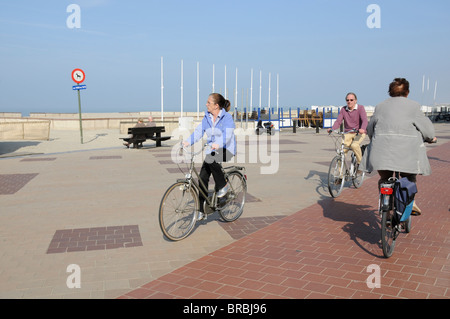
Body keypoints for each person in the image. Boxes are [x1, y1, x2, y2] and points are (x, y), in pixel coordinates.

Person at [360, 78, 436, 215]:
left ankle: (386, 210)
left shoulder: (380, 106)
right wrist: (431, 138)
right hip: (407, 154)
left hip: (381, 153)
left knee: (384, 179)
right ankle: (410, 203)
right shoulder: (414, 106)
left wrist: (374, 138)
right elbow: (428, 130)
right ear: (407, 92)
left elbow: (370, 129)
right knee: (408, 177)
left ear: (390, 92)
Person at [183, 93, 236, 220]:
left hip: (226, 149)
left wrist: (219, 143)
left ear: (216, 105)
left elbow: (228, 135)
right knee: (202, 178)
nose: (206, 104)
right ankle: (201, 211)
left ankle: (223, 186)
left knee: (211, 159)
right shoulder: (206, 118)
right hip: (212, 150)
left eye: (208, 102)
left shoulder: (227, 117)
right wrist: (187, 142)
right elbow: (198, 132)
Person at [327, 92, 368, 164]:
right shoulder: (343, 109)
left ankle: (361, 164)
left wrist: (363, 128)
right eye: (347, 100)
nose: (349, 101)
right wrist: (332, 129)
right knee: (341, 153)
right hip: (348, 133)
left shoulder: (360, 108)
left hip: (358, 132)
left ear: (355, 100)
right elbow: (338, 121)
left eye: (351, 100)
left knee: (354, 145)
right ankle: (340, 174)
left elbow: (364, 120)